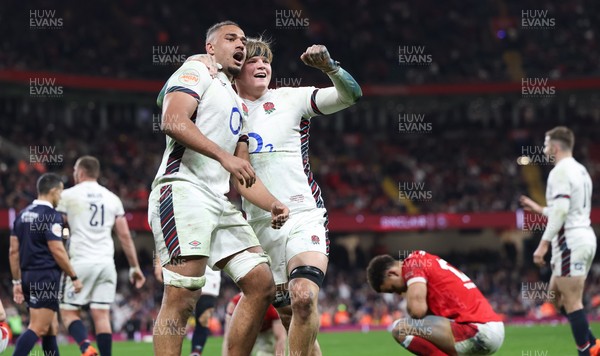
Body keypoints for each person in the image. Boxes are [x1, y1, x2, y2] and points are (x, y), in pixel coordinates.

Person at [148, 21, 289, 356]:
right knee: (182, 296)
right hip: (182, 190)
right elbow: (171, 119)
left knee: (261, 284)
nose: (240, 43)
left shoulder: (237, 102)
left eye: (243, 40)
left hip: (219, 201)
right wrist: (225, 157)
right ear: (211, 47)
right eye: (230, 38)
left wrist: (272, 204)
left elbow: (243, 173)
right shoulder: (198, 68)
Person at [234, 37, 362, 356]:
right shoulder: (225, 111)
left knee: (303, 297)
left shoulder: (292, 98)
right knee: (293, 319)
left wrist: (331, 68)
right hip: (260, 227)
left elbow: (352, 95)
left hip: (303, 214)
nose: (262, 64)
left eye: (266, 60)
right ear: (236, 68)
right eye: (252, 60)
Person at [520, 126, 599, 356]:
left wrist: (542, 244)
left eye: (545, 145)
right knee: (554, 298)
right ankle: (593, 344)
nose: (544, 150)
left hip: (570, 243)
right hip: (581, 238)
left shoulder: (559, 172)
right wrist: (539, 209)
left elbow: (562, 211)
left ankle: (586, 352)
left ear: (554, 147)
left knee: (572, 302)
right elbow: (564, 209)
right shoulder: (581, 170)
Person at [56, 155, 146, 356]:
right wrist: (135, 267)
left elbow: (56, 227)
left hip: (79, 262)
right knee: (102, 316)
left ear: (80, 172)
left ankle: (85, 347)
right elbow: (124, 235)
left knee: (69, 311)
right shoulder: (112, 198)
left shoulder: (67, 195)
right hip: (106, 264)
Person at [367, 251, 504, 355]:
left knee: (400, 328)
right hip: (489, 328)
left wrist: (410, 296)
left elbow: (417, 311)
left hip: (477, 330)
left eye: (393, 289)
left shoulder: (413, 263)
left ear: (392, 273)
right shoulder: (425, 261)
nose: (398, 293)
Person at [9, 173, 83, 356]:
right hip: (45, 276)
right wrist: (74, 276)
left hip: (27, 277)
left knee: (51, 328)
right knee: (39, 327)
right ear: (53, 191)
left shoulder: (22, 214)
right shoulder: (51, 215)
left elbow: (13, 251)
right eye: (60, 193)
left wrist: (17, 282)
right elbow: (57, 249)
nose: (61, 197)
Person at [153, 256, 221, 356]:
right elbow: (160, 239)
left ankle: (195, 353)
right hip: (184, 260)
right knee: (177, 311)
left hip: (209, 265)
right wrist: (158, 261)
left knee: (204, 317)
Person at [222, 293, 286, 356]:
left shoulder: (272, 306)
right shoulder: (234, 304)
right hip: (246, 332)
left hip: (267, 332)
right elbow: (228, 337)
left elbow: (280, 338)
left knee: (265, 353)